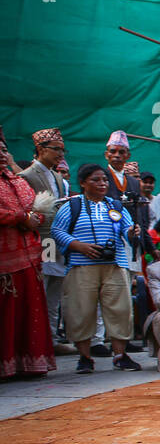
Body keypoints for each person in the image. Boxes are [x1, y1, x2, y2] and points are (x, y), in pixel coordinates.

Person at [50, 163, 141, 373]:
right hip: (81, 267)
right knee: (80, 311)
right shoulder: (71, 206)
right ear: (82, 183)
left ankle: (120, 355)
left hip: (115, 265)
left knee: (120, 310)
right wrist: (78, 246)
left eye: (104, 180)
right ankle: (84, 357)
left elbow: (127, 230)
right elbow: (57, 231)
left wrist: (132, 232)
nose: (102, 184)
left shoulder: (116, 206)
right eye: (96, 180)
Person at [0, 128, 56, 378]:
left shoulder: (17, 181)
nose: (3, 154)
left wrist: (33, 218)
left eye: (4, 149)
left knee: (30, 311)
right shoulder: (25, 175)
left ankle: (29, 364)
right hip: (5, 260)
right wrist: (22, 217)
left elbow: (39, 209)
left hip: (29, 255)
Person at [18, 127, 70, 346]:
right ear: (40, 149)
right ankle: (38, 339)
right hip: (41, 241)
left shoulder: (58, 177)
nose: (60, 154)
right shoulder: (26, 176)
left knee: (55, 292)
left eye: (63, 150)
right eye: (56, 149)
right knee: (42, 288)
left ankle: (51, 338)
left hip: (58, 241)